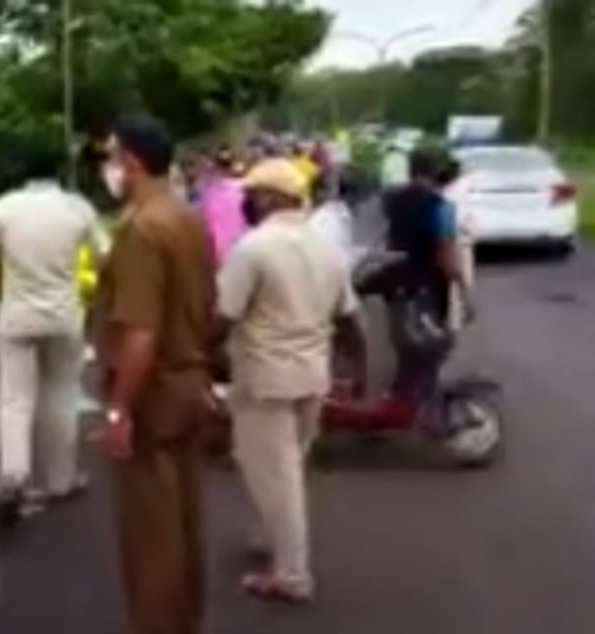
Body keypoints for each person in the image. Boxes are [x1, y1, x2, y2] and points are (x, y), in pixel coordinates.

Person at [218, 158, 366, 603]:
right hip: (312, 376)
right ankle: (269, 538)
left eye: (250, 195)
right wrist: (359, 367)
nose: (245, 203)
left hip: (264, 379)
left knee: (275, 476)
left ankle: (292, 574)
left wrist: (199, 360)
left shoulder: (253, 248)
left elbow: (223, 316)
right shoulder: (327, 248)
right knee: (286, 468)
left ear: (269, 198)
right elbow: (349, 318)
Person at [93, 113, 218, 633]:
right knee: (184, 521)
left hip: (154, 392)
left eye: (111, 156)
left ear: (132, 162)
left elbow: (140, 333)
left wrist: (119, 408)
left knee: (151, 538)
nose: (107, 167)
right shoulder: (188, 218)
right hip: (190, 380)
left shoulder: (142, 230)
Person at [0, 146, 110, 531]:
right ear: (59, 172)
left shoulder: (4, 207)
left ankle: (13, 477)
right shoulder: (77, 208)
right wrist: (98, 304)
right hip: (65, 315)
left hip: (17, 316)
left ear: (22, 174)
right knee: (61, 395)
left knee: (14, 400)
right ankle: (61, 481)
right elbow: (106, 257)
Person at [382, 149, 474, 402]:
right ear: (434, 172)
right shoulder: (440, 207)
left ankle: (400, 396)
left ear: (410, 170)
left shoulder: (393, 201)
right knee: (435, 342)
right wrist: (465, 295)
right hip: (429, 288)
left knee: (405, 339)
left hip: (398, 282)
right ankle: (424, 399)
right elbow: (447, 256)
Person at [434, 157, 477, 333]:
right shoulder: (461, 189)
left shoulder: (441, 192)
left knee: (451, 279)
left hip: (448, 236)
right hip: (459, 237)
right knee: (461, 277)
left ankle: (453, 318)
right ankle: (459, 314)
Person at [197, 146, 248, 266]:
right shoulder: (244, 188)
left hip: (223, 254)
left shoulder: (208, 194)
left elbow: (205, 226)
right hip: (243, 249)